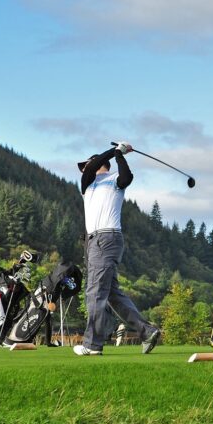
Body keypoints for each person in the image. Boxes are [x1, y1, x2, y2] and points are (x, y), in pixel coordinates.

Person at [73, 142, 160, 356]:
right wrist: (115, 151)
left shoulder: (114, 181)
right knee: (111, 294)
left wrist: (120, 156)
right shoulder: (87, 183)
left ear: (102, 164)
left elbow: (127, 177)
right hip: (95, 242)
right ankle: (147, 331)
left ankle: (92, 345)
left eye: (86, 164)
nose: (84, 168)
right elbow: (92, 169)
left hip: (107, 238)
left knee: (95, 292)